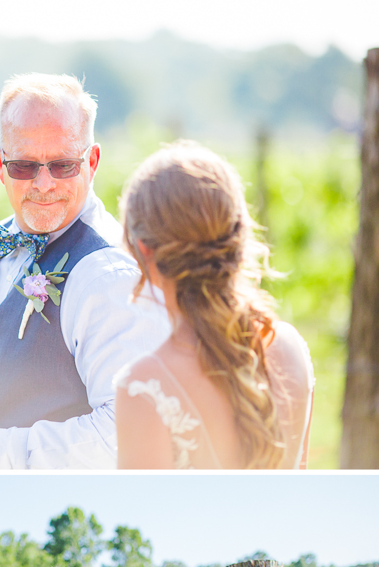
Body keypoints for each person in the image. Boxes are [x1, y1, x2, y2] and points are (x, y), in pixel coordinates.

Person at [0, 73, 169, 470]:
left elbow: (130, 436)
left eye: (62, 165)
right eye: (23, 166)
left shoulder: (109, 276)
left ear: (91, 162)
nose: (43, 183)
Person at [115, 141, 315, 468]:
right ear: (238, 233)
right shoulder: (288, 348)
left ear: (144, 251)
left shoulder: (144, 388)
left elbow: (141, 520)